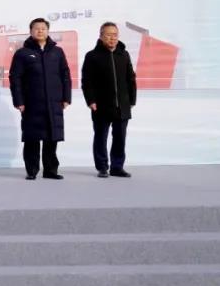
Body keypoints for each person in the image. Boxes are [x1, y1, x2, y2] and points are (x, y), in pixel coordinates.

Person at [10, 18, 72, 180]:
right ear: (31, 31)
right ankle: (31, 171)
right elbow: (15, 78)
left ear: (48, 31)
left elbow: (65, 75)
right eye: (36, 28)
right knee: (32, 137)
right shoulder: (22, 53)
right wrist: (19, 101)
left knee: (52, 137)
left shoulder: (57, 52)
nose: (40, 31)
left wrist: (66, 97)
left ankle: (51, 171)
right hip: (31, 102)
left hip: (54, 102)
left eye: (43, 28)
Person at [81, 22, 137, 178]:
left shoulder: (124, 55)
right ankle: (102, 167)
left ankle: (117, 167)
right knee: (101, 137)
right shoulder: (92, 56)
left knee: (120, 138)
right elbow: (87, 81)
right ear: (101, 36)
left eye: (115, 35)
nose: (112, 38)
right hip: (100, 105)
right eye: (108, 35)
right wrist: (91, 100)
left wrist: (132, 100)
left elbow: (131, 79)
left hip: (122, 105)